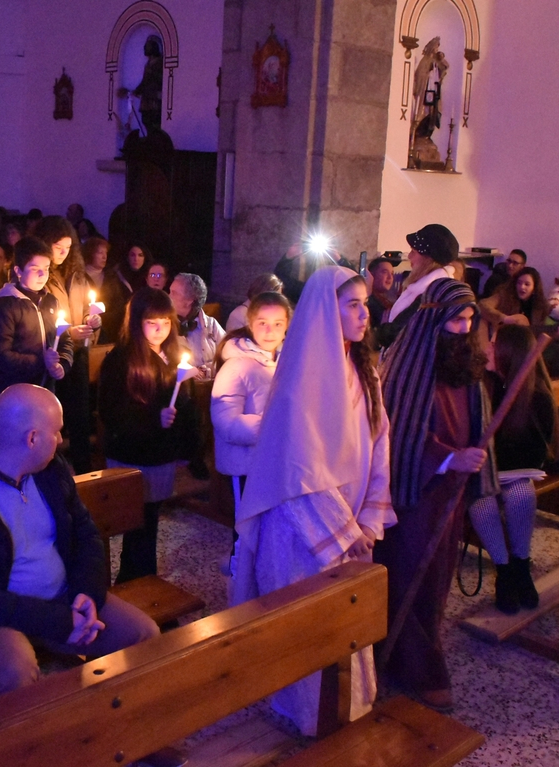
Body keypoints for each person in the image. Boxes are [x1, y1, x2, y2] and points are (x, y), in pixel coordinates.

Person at [232, 266, 395, 734]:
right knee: (309, 631)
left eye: (365, 305)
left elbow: (379, 443)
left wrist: (368, 520)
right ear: (326, 311)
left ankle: (344, 712)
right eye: (353, 305)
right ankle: (308, 717)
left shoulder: (364, 370)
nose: (365, 314)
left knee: (346, 625)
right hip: (302, 531)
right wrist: (345, 532)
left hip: (351, 525)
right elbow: (297, 469)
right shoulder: (301, 377)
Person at [0, 384, 160, 696]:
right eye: (56, 432)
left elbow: (85, 533)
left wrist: (86, 592)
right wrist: (58, 621)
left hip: (62, 599)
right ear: (32, 438)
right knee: (16, 670)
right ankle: (16, 730)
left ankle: (113, 715)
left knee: (143, 634)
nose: (61, 440)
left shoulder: (50, 470)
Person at [377, 277, 498, 711]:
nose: (463, 329)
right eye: (455, 320)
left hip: (449, 496)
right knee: (409, 576)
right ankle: (416, 665)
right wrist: (448, 458)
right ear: (434, 320)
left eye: (469, 320)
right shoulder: (408, 368)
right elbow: (400, 435)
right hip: (415, 494)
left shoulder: (463, 369)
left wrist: (471, 462)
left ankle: (417, 656)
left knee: (437, 579)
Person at [98, 288, 196, 582]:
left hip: (160, 454)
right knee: (138, 522)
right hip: (133, 455)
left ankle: (139, 579)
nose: (159, 330)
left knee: (150, 520)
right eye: (151, 322)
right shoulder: (121, 359)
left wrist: (186, 448)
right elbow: (111, 413)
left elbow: (183, 403)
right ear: (136, 322)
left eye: (165, 322)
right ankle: (138, 581)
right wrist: (155, 418)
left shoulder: (172, 354)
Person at [467, 325, 559, 614]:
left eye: (494, 344)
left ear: (510, 353)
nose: (487, 349)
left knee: (520, 493)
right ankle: (504, 570)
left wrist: (502, 464)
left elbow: (536, 454)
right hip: (483, 474)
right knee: (481, 500)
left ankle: (521, 565)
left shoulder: (537, 396)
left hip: (514, 474)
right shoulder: (482, 385)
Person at [211, 291, 291, 501]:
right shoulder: (236, 366)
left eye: (278, 324)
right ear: (250, 322)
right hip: (245, 466)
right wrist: (273, 427)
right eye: (262, 323)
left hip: (276, 463)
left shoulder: (287, 363)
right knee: (247, 520)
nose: (270, 331)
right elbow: (227, 423)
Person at [35, 216, 100, 474]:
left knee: (80, 412)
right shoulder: (39, 275)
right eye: (57, 247)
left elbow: (84, 308)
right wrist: (67, 333)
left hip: (79, 352)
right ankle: (52, 469)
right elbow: (40, 318)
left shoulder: (77, 275)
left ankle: (84, 469)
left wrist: (92, 321)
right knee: (54, 413)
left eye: (68, 247)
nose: (63, 253)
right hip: (53, 354)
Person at [0, 237, 72, 392]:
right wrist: (41, 362)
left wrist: (62, 364)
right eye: (35, 269)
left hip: (46, 388)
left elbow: (64, 339)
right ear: (18, 271)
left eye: (46, 268)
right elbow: (0, 355)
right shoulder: (4, 305)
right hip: (16, 391)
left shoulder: (50, 301)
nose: (42, 275)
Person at [375, 224, 460, 349]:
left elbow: (397, 333)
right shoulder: (432, 288)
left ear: (427, 259)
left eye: (413, 252)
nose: (409, 256)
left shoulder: (429, 293)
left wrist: (370, 334)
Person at [170, 273, 224, 380]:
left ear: (189, 301)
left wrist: (205, 370)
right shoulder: (164, 325)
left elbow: (227, 356)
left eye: (174, 293)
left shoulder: (211, 325)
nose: (169, 296)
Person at [100, 243, 148, 343]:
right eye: (132, 255)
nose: (136, 259)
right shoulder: (115, 277)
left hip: (144, 332)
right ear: (127, 257)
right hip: (119, 331)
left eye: (140, 255)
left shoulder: (149, 278)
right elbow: (106, 305)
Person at [479, 266, 548, 331]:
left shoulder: (541, 306)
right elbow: (482, 305)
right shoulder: (505, 295)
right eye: (519, 283)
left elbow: (540, 330)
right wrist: (504, 318)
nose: (522, 287)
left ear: (534, 289)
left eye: (527, 284)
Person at [366, 257, 399, 328]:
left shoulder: (387, 301)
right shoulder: (369, 302)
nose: (390, 277)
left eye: (392, 273)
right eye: (384, 272)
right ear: (371, 275)